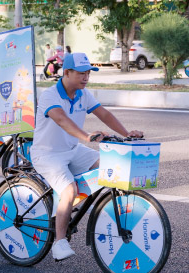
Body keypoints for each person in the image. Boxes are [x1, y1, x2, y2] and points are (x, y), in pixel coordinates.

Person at [31, 53, 144, 261]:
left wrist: (127, 133)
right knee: (69, 190)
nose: (86, 78)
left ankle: (69, 206)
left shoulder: (83, 94)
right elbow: (61, 119)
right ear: (67, 73)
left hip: (72, 149)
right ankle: (59, 242)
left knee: (110, 165)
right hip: (47, 154)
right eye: (81, 73)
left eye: (88, 73)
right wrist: (86, 136)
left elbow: (104, 114)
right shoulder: (50, 95)